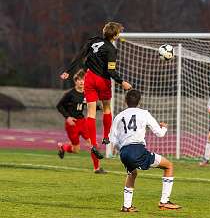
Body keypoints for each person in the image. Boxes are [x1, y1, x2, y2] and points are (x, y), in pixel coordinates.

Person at [60, 22, 132, 160]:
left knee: (91, 112)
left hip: (89, 78)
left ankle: (93, 144)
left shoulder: (93, 41)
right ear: (115, 35)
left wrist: (68, 71)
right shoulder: (111, 49)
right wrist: (122, 82)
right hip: (102, 81)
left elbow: (80, 55)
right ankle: (106, 137)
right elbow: (111, 71)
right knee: (106, 108)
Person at [109, 89, 181, 212]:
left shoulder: (118, 116)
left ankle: (126, 206)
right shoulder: (144, 113)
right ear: (139, 101)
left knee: (132, 173)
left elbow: (113, 140)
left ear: (125, 101)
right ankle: (164, 202)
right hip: (137, 150)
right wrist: (164, 128)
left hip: (124, 152)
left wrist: (122, 151)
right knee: (169, 166)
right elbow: (159, 134)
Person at [56, 69, 106, 174]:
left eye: (83, 79)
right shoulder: (70, 94)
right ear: (75, 81)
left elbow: (89, 105)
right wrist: (67, 117)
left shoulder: (87, 93)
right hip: (72, 124)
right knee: (76, 150)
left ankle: (97, 168)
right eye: (79, 80)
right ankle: (63, 147)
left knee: (93, 144)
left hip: (83, 122)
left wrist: (99, 107)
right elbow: (59, 106)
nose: (82, 82)